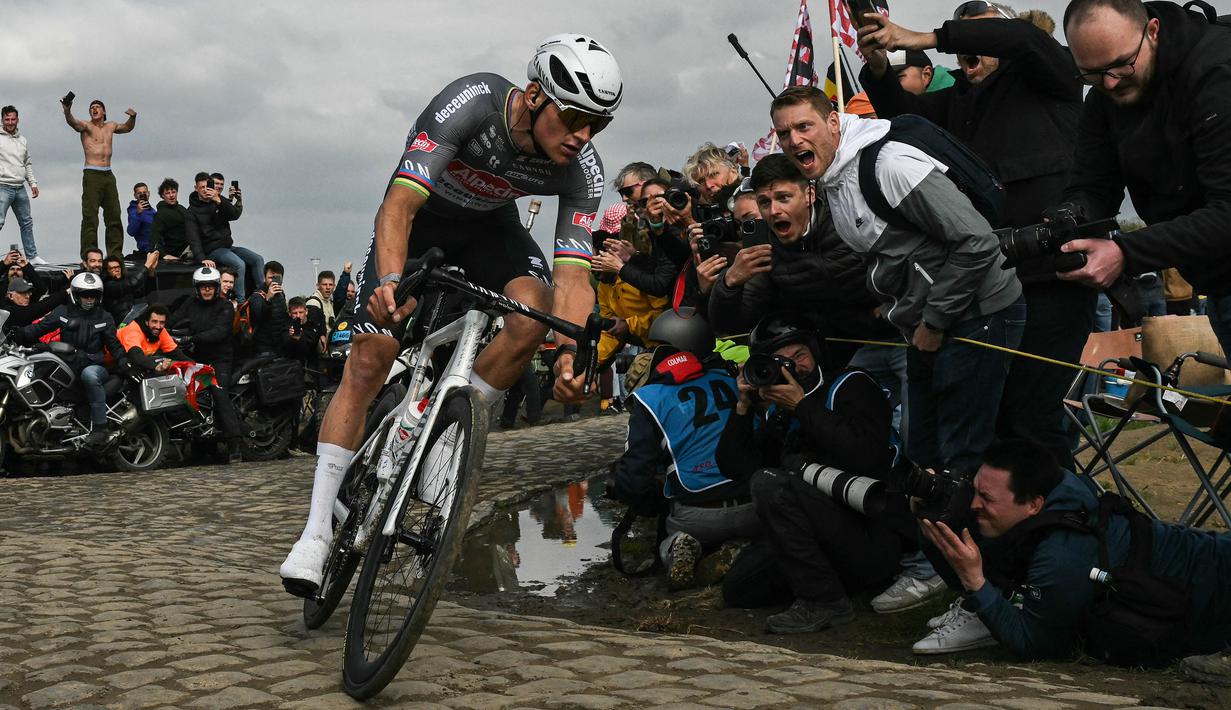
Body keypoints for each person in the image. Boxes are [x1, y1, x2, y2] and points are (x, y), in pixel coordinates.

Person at [279, 33, 624, 595]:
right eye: (574, 118)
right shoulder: (472, 102)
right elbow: (399, 204)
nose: (584, 136)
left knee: (533, 313)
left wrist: (568, 353)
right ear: (535, 95)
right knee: (371, 358)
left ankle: (445, 440)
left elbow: (573, 275)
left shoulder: (581, 169)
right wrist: (390, 283)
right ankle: (316, 531)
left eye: (598, 125)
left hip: (492, 233)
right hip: (423, 225)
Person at [857, 0, 1093, 470]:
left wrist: (924, 38)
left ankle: (1070, 523)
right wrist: (881, 66)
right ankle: (1005, 529)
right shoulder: (958, 100)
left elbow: (1022, 39)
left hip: (1052, 279)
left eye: (980, 36)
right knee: (994, 419)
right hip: (991, 289)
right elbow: (904, 120)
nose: (972, 47)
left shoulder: (1046, 76)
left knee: (1033, 417)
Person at [771, 85, 1024, 476]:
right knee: (923, 453)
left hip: (977, 315)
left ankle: (974, 534)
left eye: (804, 126)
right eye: (784, 133)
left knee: (961, 455)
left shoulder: (890, 165)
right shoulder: (834, 178)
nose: (794, 140)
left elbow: (976, 242)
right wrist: (894, 306)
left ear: (834, 122)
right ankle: (933, 530)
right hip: (922, 325)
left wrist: (934, 321)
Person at [920, 437, 1231, 664]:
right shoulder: (1063, 487)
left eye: (985, 498)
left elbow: (1037, 645)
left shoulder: (1061, 556)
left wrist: (975, 581)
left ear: (1033, 505)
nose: (975, 504)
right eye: (974, 490)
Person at [1057, 0, 1231, 359]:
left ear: (1152, 32)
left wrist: (1125, 251)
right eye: (1091, 73)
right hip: (1219, 279)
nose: (1109, 82)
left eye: (1121, 65)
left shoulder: (1217, 75)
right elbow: (1092, 183)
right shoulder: (1104, 98)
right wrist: (1069, 218)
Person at [716, 312, 905, 632]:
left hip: (873, 533)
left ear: (815, 353)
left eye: (799, 356)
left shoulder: (851, 385)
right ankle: (825, 583)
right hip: (820, 535)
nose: (793, 367)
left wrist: (803, 407)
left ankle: (824, 602)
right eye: (779, 362)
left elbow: (866, 458)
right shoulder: (778, 408)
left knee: (770, 484)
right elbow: (737, 467)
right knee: (739, 590)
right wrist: (743, 406)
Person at [611, 308, 757, 591]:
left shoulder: (650, 396)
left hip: (696, 515)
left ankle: (677, 545)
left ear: (669, 352)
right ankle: (742, 547)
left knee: (670, 532)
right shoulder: (738, 380)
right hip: (754, 504)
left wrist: (653, 505)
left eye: (653, 349)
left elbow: (633, 479)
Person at [16, 272, 124, 447]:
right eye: (84, 295)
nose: (89, 299)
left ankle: (100, 429)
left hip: (95, 365)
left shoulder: (105, 317)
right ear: (75, 294)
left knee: (90, 375)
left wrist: (125, 362)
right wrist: (18, 333)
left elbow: (114, 345)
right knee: (39, 370)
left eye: (93, 295)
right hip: (68, 364)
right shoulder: (63, 312)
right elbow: (38, 329)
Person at [171, 266, 247, 463]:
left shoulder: (224, 307)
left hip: (219, 360)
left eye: (210, 286)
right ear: (197, 287)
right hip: (196, 358)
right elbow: (174, 320)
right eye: (203, 286)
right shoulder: (190, 304)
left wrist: (192, 338)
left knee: (218, 393)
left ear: (216, 287)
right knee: (186, 393)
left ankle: (234, 444)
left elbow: (220, 332)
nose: (207, 290)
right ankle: (201, 444)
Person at [62, 97, 136, 259]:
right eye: (91, 108)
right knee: (90, 217)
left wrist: (132, 117)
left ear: (104, 111)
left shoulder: (111, 126)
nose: (94, 109)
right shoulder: (86, 126)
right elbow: (73, 123)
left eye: (97, 107)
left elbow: (127, 128)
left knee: (114, 215)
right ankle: (90, 254)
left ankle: (115, 254)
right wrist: (67, 110)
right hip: (92, 173)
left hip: (108, 174)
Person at [186, 172, 263, 299]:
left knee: (257, 259)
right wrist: (201, 258)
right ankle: (240, 301)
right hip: (212, 249)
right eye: (202, 188)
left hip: (227, 246)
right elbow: (193, 237)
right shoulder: (191, 211)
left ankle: (262, 295)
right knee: (238, 264)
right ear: (196, 189)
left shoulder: (217, 200)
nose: (205, 190)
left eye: (207, 186)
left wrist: (219, 201)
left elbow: (233, 215)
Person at [0, 106, 44, 264]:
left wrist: (33, 183)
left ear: (17, 120)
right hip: (2, 185)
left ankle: (32, 256)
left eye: (13, 119)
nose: (10, 122)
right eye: (7, 119)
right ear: (2, 120)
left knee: (26, 222)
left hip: (20, 187)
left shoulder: (22, 140)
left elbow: (27, 164)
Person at [118, 304, 188, 375]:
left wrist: (196, 368)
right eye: (154, 321)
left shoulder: (161, 331)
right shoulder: (133, 331)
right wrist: (156, 366)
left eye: (162, 322)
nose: (158, 326)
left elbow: (178, 355)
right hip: (115, 364)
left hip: (135, 362)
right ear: (146, 322)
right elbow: (136, 356)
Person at [149, 178, 207, 264]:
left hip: (192, 245)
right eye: (167, 193)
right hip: (181, 251)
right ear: (162, 196)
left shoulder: (182, 209)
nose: (171, 195)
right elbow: (154, 236)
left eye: (173, 192)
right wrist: (163, 254)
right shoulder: (160, 214)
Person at [102, 252, 158, 324]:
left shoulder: (124, 283)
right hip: (117, 328)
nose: (117, 270)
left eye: (118, 267)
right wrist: (147, 265)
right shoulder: (108, 285)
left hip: (131, 324)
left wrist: (151, 271)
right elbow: (132, 284)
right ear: (107, 271)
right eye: (112, 268)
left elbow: (144, 291)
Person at [0, 277, 67, 334]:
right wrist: (66, 292)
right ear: (11, 296)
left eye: (28, 293)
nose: (27, 296)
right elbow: (40, 307)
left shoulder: (24, 308)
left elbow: (42, 289)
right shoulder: (9, 311)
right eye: (22, 293)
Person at [126, 182, 156, 257]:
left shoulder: (153, 211)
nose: (142, 195)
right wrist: (138, 213)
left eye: (144, 192)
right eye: (139, 193)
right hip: (147, 251)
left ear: (148, 193)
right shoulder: (133, 210)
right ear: (135, 195)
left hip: (158, 248)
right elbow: (131, 232)